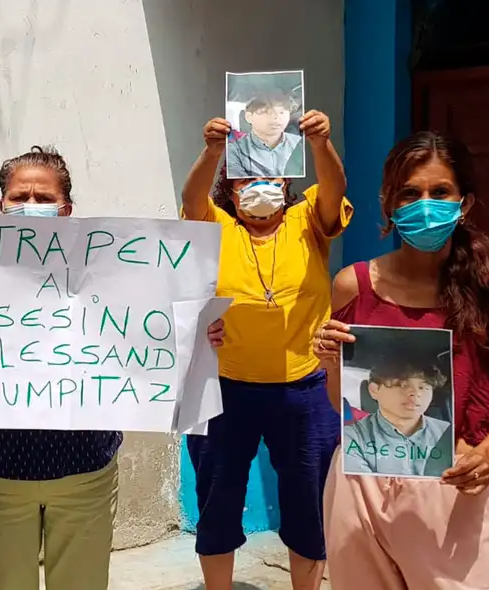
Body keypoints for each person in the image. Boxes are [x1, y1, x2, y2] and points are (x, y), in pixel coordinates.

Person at [0, 146, 225, 590]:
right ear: (1, 205)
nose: (30, 206)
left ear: (67, 208)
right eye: (20, 196)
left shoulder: (112, 270)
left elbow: (149, 338)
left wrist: (197, 339)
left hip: (85, 471)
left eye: (43, 197)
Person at [314, 131, 489, 589]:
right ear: (389, 204)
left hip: (455, 483)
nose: (425, 205)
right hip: (363, 484)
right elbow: (343, 407)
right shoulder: (353, 285)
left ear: (464, 203)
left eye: (440, 192)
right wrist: (332, 360)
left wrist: (487, 454)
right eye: (410, 193)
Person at [181, 110, 349, 590]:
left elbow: (334, 190)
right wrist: (212, 151)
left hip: (305, 388)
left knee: (308, 500)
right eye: (246, 180)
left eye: (270, 178)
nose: (259, 187)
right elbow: (190, 200)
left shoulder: (306, 222)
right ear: (230, 191)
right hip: (224, 387)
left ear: (286, 182)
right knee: (217, 496)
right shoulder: (218, 226)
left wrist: (320, 144)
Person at [342, 357, 453, 477]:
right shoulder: (353, 436)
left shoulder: (448, 433)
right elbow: (364, 488)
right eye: (402, 385)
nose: (416, 393)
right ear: (374, 390)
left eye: (423, 387)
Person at [225, 92, 303, 178]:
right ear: (248, 117)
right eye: (267, 112)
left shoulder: (300, 144)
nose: (276, 117)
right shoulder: (235, 151)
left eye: (282, 112)